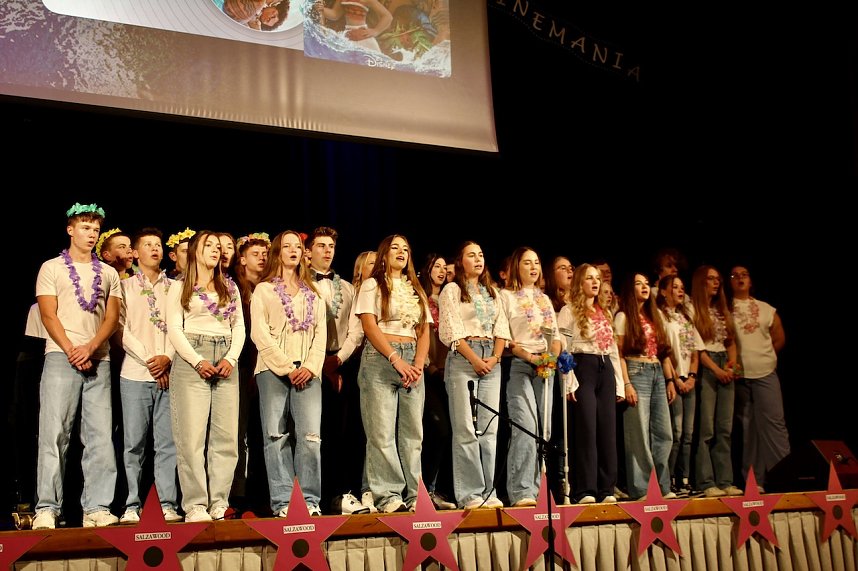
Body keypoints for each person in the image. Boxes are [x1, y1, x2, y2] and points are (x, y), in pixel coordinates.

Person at [32, 202, 123, 530]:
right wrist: (72, 348)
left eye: (96, 229)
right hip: (61, 356)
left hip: (98, 358)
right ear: (71, 229)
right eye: (85, 227)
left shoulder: (109, 273)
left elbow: (112, 317)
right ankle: (47, 507)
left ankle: (97, 506)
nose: (92, 233)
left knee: (99, 435)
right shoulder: (51, 268)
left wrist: (91, 346)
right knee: (55, 433)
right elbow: (48, 314)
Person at [166, 230, 245, 522]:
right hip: (192, 357)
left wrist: (231, 358)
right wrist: (198, 360)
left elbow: (239, 327)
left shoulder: (230, 287)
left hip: (225, 356)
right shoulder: (179, 287)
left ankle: (219, 501)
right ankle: (196, 504)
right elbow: (174, 328)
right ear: (196, 250)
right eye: (208, 245)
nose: (215, 250)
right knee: (192, 437)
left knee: (226, 438)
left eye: (217, 246)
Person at [250, 230, 327, 517]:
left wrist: (308, 366)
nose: (293, 250)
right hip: (272, 370)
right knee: (275, 435)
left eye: (298, 246)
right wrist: (286, 367)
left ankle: (309, 500)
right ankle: (283, 501)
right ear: (277, 252)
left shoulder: (314, 292)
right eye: (287, 246)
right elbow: (259, 334)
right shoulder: (264, 290)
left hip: (308, 370)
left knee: (309, 436)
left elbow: (321, 334)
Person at [354, 234, 431, 513]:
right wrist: (395, 358)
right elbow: (369, 325)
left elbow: (424, 330)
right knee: (381, 432)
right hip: (382, 358)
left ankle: (414, 496)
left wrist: (419, 362)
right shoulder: (372, 285)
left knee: (413, 434)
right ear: (384, 255)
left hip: (412, 361)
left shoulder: (415, 288)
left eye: (406, 249)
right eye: (395, 248)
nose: (401, 252)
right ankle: (388, 496)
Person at [438, 241, 510, 509]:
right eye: (471, 255)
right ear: (460, 262)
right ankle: (471, 494)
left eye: (481, 254)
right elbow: (452, 330)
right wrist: (475, 359)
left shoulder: (493, 292)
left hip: (491, 357)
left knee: (489, 428)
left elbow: (501, 327)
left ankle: (490, 492)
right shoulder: (453, 290)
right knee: (466, 428)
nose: (478, 258)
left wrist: (494, 357)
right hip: (464, 356)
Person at [117, 228, 181, 523]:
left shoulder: (175, 288)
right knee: (133, 443)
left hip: (168, 373)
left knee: (167, 444)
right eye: (148, 245)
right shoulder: (125, 287)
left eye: (158, 245)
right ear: (135, 252)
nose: (155, 249)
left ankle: (167, 502)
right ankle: (131, 503)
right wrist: (149, 360)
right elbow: (121, 329)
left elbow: (178, 327)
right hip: (135, 374)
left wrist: (166, 358)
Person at [303, 227, 368, 515]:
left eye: (331, 246)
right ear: (309, 251)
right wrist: (318, 363)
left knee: (340, 432)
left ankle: (340, 494)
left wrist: (338, 360)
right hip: (306, 363)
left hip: (339, 363)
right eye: (321, 245)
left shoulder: (347, 288)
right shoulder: (299, 284)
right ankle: (308, 497)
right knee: (309, 434)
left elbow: (355, 330)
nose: (327, 251)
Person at [497, 246, 563, 507]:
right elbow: (505, 338)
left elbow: (555, 337)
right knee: (525, 426)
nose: (534, 267)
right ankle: (521, 491)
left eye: (536, 262)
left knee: (543, 431)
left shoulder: (544, 300)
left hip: (544, 367)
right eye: (527, 263)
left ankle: (537, 489)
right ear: (516, 267)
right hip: (520, 364)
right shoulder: (506, 297)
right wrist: (529, 357)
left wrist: (551, 358)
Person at [557, 264, 624, 504]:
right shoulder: (568, 311)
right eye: (589, 278)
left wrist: (619, 383)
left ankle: (606, 488)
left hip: (604, 368)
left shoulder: (603, 312)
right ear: (579, 283)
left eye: (597, 278)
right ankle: (585, 489)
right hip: (582, 367)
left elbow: (613, 349)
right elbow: (562, 349)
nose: (595, 282)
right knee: (586, 429)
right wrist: (569, 380)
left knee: (607, 430)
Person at [614, 272, 677, 501]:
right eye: (638, 283)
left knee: (664, 432)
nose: (644, 287)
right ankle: (642, 489)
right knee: (638, 433)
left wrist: (670, 379)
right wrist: (627, 384)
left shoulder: (655, 315)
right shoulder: (622, 317)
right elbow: (618, 354)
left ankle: (662, 486)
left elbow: (664, 351)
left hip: (657, 371)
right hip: (636, 370)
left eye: (646, 283)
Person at [729, 265, 789, 492]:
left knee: (774, 425)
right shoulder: (725, 308)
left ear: (751, 280)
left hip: (765, 373)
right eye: (735, 276)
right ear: (730, 282)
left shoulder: (766, 309)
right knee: (747, 430)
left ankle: (784, 475)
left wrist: (765, 357)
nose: (740, 278)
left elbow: (780, 338)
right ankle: (755, 482)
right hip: (740, 377)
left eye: (744, 274)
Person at [690, 265, 742, 498]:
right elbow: (697, 349)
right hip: (708, 365)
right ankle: (706, 481)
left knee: (725, 428)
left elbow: (731, 341)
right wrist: (716, 370)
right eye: (710, 279)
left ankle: (725, 480)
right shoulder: (693, 309)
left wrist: (731, 365)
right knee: (707, 429)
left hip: (724, 364)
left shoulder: (722, 310)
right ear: (701, 283)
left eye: (717, 279)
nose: (715, 283)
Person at [231, 232, 270, 514]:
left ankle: (262, 496)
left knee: (265, 432)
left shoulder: (271, 288)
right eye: (255, 254)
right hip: (243, 367)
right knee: (239, 433)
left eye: (265, 253)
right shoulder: (235, 290)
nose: (262, 258)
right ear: (242, 259)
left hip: (268, 366)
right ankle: (238, 496)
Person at [656, 274, 704, 497]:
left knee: (688, 433)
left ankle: (684, 478)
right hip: (675, 380)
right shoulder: (661, 317)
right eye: (675, 287)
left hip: (689, 380)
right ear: (664, 291)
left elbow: (695, 351)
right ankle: (670, 479)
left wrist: (692, 376)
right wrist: (675, 379)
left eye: (682, 287)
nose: (680, 290)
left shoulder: (686, 317)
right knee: (674, 432)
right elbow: (664, 352)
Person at [418, 253, 456, 510]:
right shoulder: (420, 297)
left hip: (452, 373)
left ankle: (438, 489)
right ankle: (424, 489)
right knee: (435, 430)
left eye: (445, 266)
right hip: (427, 373)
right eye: (437, 266)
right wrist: (430, 367)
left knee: (452, 432)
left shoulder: (450, 299)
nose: (442, 270)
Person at [321, 0, 393, 52]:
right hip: (348, 35)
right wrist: (322, 9)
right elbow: (335, 14)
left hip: (363, 37)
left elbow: (388, 17)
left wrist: (376, 31)